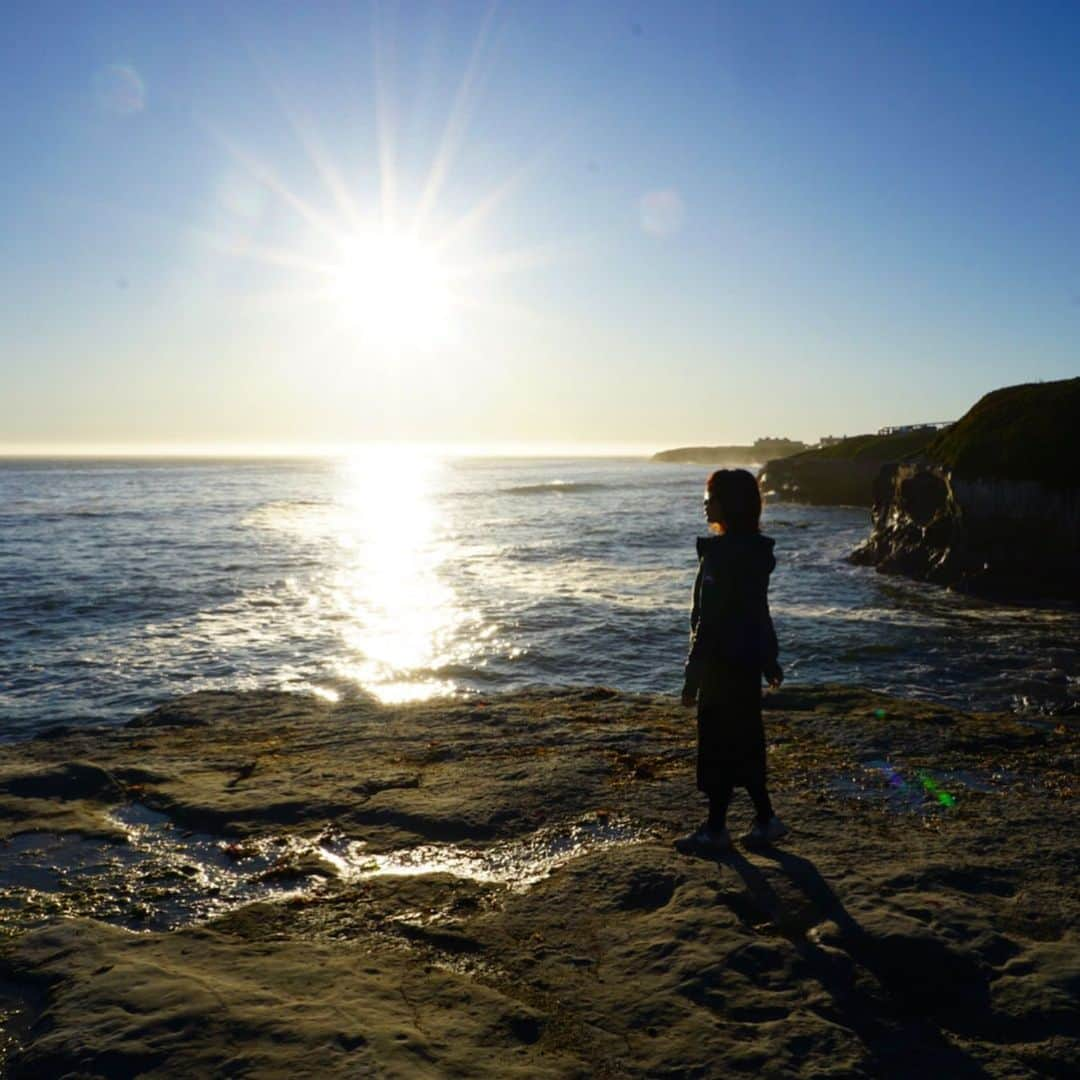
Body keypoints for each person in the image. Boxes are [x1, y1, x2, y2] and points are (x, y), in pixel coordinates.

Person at [676, 468, 788, 854]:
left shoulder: (722, 557)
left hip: (722, 666)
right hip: (745, 665)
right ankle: (765, 819)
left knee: (719, 747)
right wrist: (768, 659)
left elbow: (708, 622)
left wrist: (693, 676)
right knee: (744, 743)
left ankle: (716, 829)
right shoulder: (753, 553)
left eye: (711, 497)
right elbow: (760, 612)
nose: (705, 503)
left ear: (730, 504)